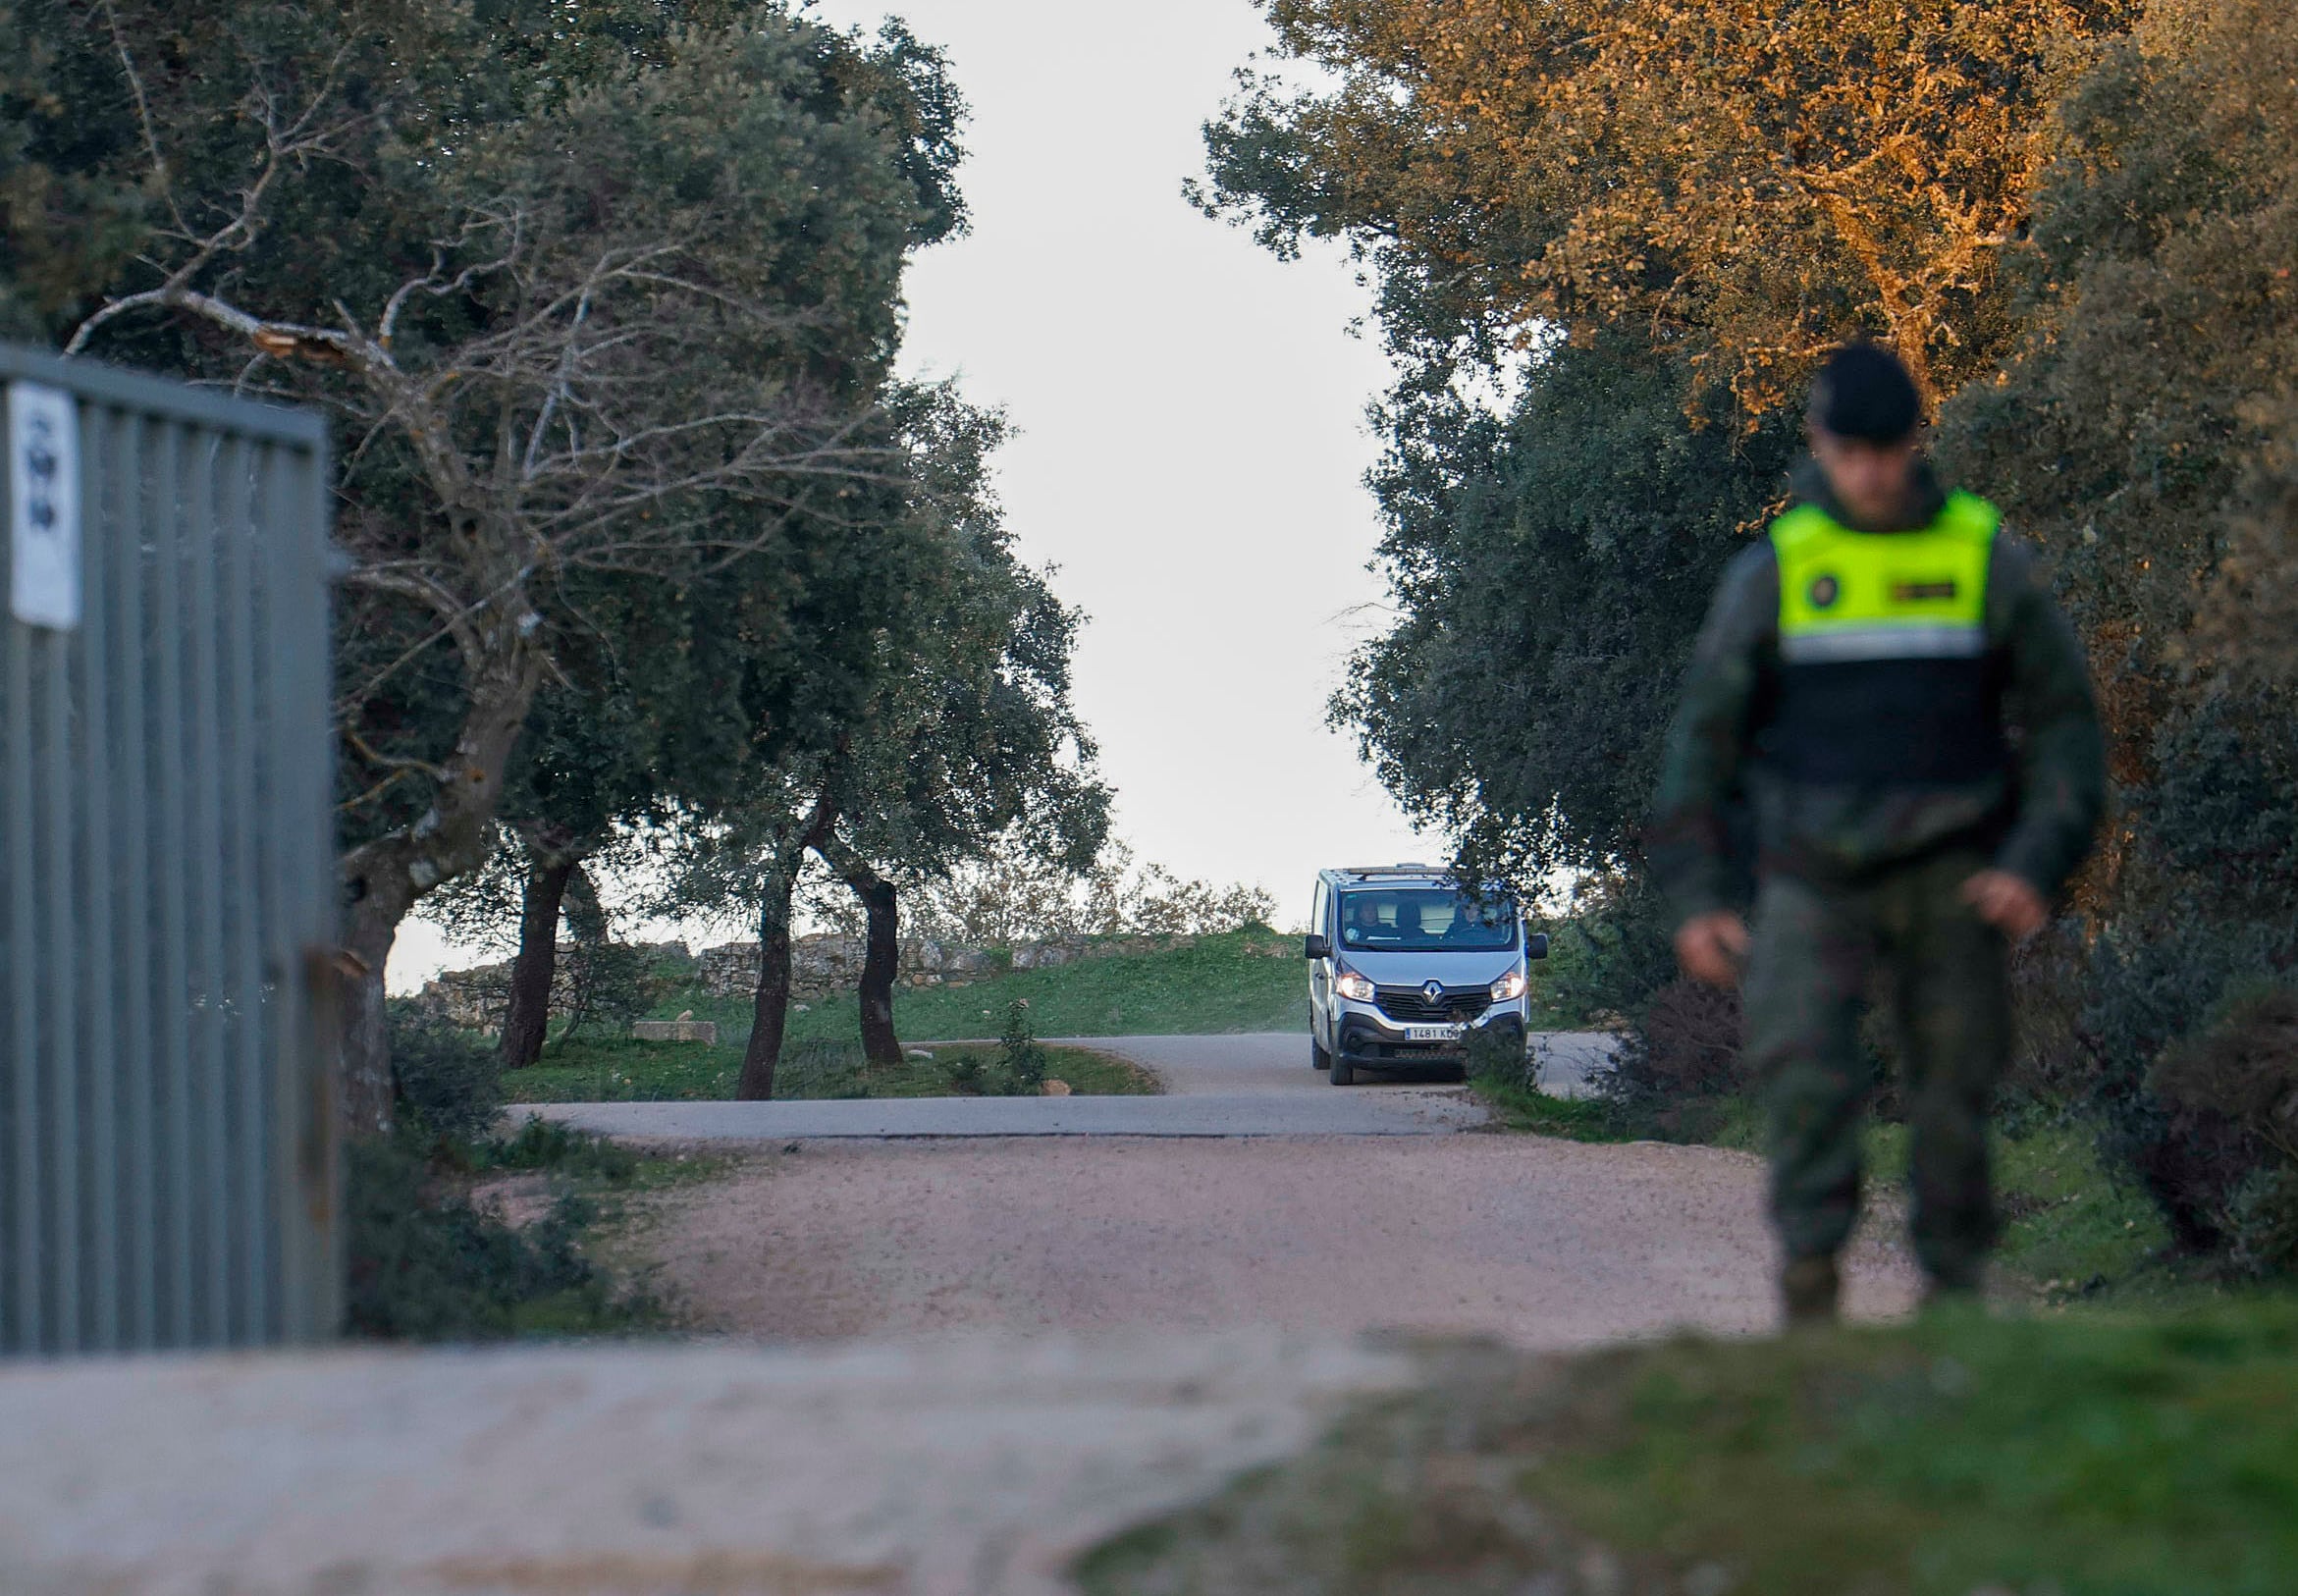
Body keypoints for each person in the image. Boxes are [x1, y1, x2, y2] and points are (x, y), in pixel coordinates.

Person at [1647, 342, 2106, 1326]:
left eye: (1886, 449)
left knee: (1952, 1099)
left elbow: (2066, 724)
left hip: (1953, 875)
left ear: (1913, 443)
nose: (1869, 471)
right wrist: (1695, 896)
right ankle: (1812, 1313)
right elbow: (1704, 741)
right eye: (1850, 451)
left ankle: (1953, 1314)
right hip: (1811, 878)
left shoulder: (1982, 557)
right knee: (1806, 1087)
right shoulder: (1779, 572)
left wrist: (2035, 860)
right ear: (1819, 444)